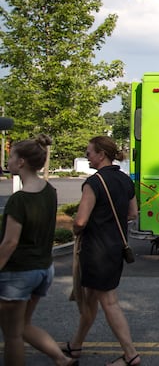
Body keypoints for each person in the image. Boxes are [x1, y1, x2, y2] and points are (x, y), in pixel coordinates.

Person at [61, 136, 141, 366]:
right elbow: (133, 213)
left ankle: (131, 354)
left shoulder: (94, 183)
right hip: (116, 248)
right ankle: (76, 345)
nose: (87, 157)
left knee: (108, 301)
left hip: (96, 250)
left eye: (89, 153)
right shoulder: (125, 180)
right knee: (90, 300)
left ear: (101, 154)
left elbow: (80, 221)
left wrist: (78, 231)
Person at [0, 135, 78, 366]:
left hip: (18, 273)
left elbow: (10, 243)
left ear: (21, 162)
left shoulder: (19, 200)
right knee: (23, 325)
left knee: (12, 334)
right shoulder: (49, 191)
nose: (9, 160)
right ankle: (60, 359)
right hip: (44, 269)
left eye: (12, 156)